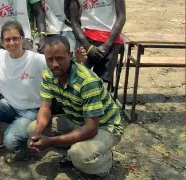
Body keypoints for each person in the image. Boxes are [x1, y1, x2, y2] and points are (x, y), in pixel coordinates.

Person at [0, 21, 88, 161]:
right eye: (7, 39)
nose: (11, 43)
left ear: (22, 39)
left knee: (11, 141)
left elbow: (60, 65)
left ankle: (28, 147)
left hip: (33, 111)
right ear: (2, 41)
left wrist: (79, 60)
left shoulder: (36, 60)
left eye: (15, 38)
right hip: (10, 106)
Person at [28, 35, 123, 177]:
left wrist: (51, 141)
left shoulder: (86, 81)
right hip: (77, 120)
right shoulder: (49, 74)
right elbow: (45, 108)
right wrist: (37, 134)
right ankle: (75, 154)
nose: (54, 64)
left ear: (70, 56)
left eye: (59, 58)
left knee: (79, 155)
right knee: (33, 128)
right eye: (50, 59)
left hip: (105, 126)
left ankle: (105, 161)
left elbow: (91, 128)